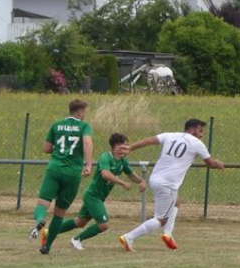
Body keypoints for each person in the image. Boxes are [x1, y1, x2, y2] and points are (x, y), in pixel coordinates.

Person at [119, 119, 224, 252]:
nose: (202, 134)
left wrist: (131, 148)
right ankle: (129, 237)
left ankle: (168, 234)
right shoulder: (197, 143)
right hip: (167, 184)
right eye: (200, 130)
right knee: (160, 219)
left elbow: (149, 141)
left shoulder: (170, 135)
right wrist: (219, 164)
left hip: (156, 179)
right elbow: (210, 163)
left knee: (176, 202)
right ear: (191, 129)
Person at [56, 133, 147, 250]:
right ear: (115, 146)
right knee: (103, 225)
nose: (126, 148)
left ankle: (49, 232)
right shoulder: (106, 157)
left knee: (80, 222)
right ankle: (77, 239)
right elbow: (105, 174)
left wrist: (141, 181)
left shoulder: (123, 161)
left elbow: (131, 174)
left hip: (98, 197)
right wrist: (122, 183)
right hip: (93, 196)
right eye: (124, 146)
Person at [29, 99, 94, 255]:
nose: (85, 115)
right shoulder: (84, 126)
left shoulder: (56, 125)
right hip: (72, 173)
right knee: (60, 212)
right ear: (79, 112)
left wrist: (59, 151)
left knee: (43, 203)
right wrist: (88, 164)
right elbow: (87, 142)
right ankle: (47, 247)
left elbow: (46, 148)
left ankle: (40, 221)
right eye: (84, 112)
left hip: (55, 169)